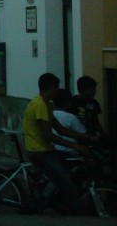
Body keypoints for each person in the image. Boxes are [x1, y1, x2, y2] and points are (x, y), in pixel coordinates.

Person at [23, 73, 94, 215]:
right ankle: (82, 219)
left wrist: (86, 137)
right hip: (40, 152)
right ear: (51, 87)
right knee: (68, 187)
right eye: (57, 88)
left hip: (46, 150)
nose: (58, 92)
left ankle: (48, 194)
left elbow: (60, 129)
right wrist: (76, 146)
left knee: (73, 160)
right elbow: (49, 134)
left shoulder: (45, 105)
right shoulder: (39, 105)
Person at [73, 76, 108, 141]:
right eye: (92, 89)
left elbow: (96, 121)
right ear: (84, 89)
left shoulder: (94, 102)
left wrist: (102, 134)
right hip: (77, 135)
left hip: (91, 135)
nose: (95, 91)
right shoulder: (72, 102)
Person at [52, 88, 86, 153]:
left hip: (54, 151)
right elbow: (83, 134)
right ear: (68, 102)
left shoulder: (50, 114)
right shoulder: (71, 118)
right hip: (70, 151)